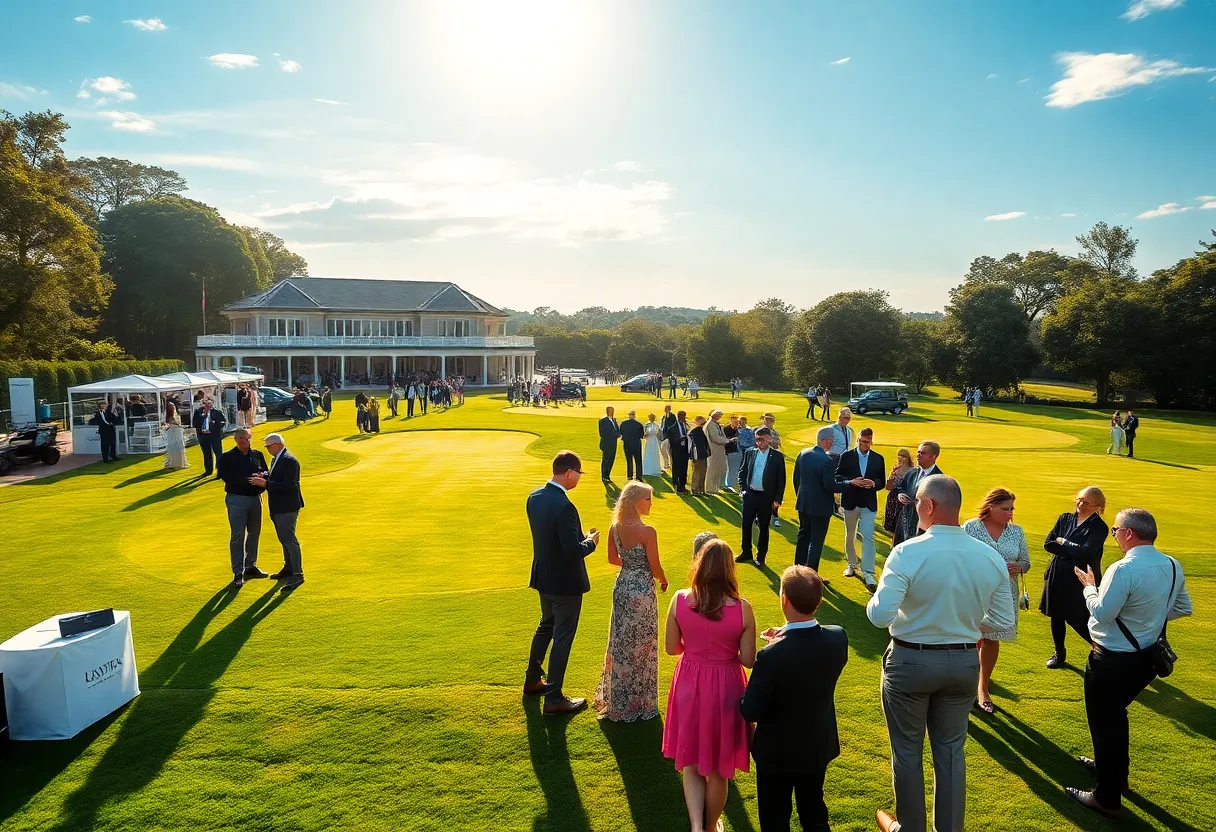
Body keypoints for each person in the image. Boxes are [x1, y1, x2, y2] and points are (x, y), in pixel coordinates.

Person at [867, 475, 1015, 832]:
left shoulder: (908, 552)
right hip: (963, 662)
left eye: (918, 502)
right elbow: (1003, 619)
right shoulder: (988, 555)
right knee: (950, 752)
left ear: (929, 506)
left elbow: (879, 615)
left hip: (910, 662)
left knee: (907, 752)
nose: (916, 508)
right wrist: (964, 624)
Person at [1065, 508, 1193, 819]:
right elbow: (1181, 608)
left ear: (1129, 534)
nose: (1114, 535)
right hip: (1146, 659)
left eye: (1115, 530)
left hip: (1110, 660)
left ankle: (1106, 798)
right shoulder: (1172, 564)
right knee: (1115, 718)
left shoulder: (1123, 569)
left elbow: (1102, 612)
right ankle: (1114, 774)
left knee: (1104, 724)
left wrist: (1088, 586)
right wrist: (1146, 619)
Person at [741, 565, 848, 832]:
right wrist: (786, 635)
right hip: (816, 746)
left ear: (784, 599)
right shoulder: (837, 638)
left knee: (775, 819)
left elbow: (750, 710)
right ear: (820, 601)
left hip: (777, 754)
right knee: (814, 813)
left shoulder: (771, 656)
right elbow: (807, 652)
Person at [663, 539, 757, 832]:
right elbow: (748, 660)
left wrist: (694, 648)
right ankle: (712, 823)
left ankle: (696, 826)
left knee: (690, 761)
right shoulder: (743, 609)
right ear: (730, 569)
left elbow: (670, 648)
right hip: (727, 685)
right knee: (719, 769)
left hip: (690, 681)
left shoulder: (679, 599)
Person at [523, 451, 600, 715]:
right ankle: (554, 698)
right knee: (562, 638)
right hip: (565, 583)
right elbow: (572, 551)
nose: (579, 478)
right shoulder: (566, 506)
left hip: (543, 577)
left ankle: (533, 679)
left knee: (545, 626)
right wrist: (591, 541)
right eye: (578, 474)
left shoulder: (534, 497)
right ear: (569, 473)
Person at [593, 482, 669, 722]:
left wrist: (631, 565)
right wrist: (663, 579)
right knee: (643, 643)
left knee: (621, 641)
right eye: (648, 499)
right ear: (635, 500)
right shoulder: (648, 532)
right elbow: (655, 565)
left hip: (623, 586)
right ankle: (640, 702)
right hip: (642, 590)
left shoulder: (615, 527)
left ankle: (620, 700)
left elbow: (612, 559)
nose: (651, 503)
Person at [962, 488, 1030, 714]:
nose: (1010, 513)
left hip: (1004, 593)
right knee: (971, 638)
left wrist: (1019, 566)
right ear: (990, 507)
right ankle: (965, 687)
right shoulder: (971, 527)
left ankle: (983, 688)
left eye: (1012, 508)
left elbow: (1026, 562)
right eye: (1005, 508)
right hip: (974, 591)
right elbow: (960, 556)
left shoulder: (1017, 532)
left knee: (991, 639)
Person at [1041, 486, 1108, 669]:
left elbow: (1088, 552)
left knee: (1079, 617)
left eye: (1085, 502)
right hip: (1057, 573)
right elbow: (1048, 544)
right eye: (1079, 499)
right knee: (1056, 614)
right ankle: (1059, 652)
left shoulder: (1099, 527)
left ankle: (1103, 651)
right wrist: (1073, 548)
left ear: (1097, 506)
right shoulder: (1065, 518)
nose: (1080, 503)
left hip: (1081, 577)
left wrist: (1063, 543)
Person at [249, 433, 306, 593]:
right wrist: (266, 476)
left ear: (277, 445)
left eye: (268, 446)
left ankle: (298, 574)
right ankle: (288, 568)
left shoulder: (289, 460)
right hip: (278, 506)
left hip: (287, 507)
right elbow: (277, 477)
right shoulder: (278, 459)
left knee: (289, 539)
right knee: (283, 539)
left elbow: (290, 486)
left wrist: (266, 483)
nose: (267, 449)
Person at [792, 427, 848, 571]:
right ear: (824, 440)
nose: (832, 443)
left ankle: (798, 569)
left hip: (803, 503)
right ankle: (811, 574)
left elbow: (796, 478)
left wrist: (801, 495)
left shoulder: (803, 453)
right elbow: (831, 485)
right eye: (831, 440)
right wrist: (849, 483)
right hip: (820, 507)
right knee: (816, 541)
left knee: (803, 536)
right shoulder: (826, 460)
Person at [217, 429, 269, 587]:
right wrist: (249, 480)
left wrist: (262, 477)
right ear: (239, 440)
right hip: (237, 499)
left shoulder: (257, 454)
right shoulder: (227, 457)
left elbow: (266, 472)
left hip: (255, 498)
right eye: (247, 438)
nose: (249, 441)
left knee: (254, 533)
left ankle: (250, 566)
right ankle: (238, 572)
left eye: (250, 438)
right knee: (238, 535)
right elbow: (225, 477)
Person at [838, 426, 884, 591]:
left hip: (869, 503)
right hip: (850, 502)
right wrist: (851, 481)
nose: (866, 445)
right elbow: (838, 476)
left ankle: (869, 572)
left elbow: (881, 481)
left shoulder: (878, 458)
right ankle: (851, 564)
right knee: (850, 535)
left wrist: (873, 483)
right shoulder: (847, 456)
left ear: (872, 441)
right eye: (863, 441)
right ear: (858, 440)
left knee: (868, 537)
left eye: (869, 442)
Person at [736, 427, 786, 567]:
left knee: (763, 527)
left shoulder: (776, 456)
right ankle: (746, 552)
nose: (759, 442)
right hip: (750, 495)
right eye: (757, 439)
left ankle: (761, 557)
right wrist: (743, 490)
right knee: (746, 525)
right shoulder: (750, 452)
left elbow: (781, 480)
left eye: (762, 439)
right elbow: (742, 473)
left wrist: (777, 499)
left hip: (766, 497)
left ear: (769, 438)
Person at [894, 442, 944, 543]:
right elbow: (900, 489)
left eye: (922, 453)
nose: (918, 455)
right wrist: (900, 495)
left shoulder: (938, 479)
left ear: (933, 456)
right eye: (918, 452)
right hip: (904, 523)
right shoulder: (911, 473)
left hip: (923, 526)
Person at [191, 398, 227, 478]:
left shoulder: (217, 412)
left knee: (218, 454)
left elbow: (223, 422)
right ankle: (208, 471)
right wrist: (203, 418)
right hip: (203, 437)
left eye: (209, 405)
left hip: (214, 436)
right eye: (205, 404)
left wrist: (215, 424)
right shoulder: (198, 412)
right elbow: (194, 423)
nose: (207, 406)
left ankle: (219, 471)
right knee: (207, 454)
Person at [883, 449, 913, 536]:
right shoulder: (895, 469)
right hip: (893, 499)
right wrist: (892, 474)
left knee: (904, 525)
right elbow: (888, 487)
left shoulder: (913, 471)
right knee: (893, 526)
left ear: (908, 458)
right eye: (899, 456)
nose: (901, 459)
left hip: (905, 499)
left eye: (903, 456)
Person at [704, 410, 729, 495]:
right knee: (712, 470)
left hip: (719, 450)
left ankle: (715, 488)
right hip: (713, 450)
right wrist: (727, 441)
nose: (719, 417)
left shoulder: (716, 424)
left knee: (719, 470)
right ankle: (710, 489)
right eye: (718, 415)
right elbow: (715, 437)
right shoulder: (711, 424)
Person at [666, 410, 691, 494]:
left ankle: (683, 485)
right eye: (682, 416)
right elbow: (671, 440)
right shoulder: (672, 428)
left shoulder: (686, 426)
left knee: (684, 468)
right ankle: (678, 485)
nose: (683, 418)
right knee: (677, 468)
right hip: (677, 451)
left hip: (685, 451)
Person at [162, 399, 188, 470]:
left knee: (177, 447)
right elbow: (174, 424)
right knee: (176, 447)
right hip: (174, 433)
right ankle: (175, 463)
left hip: (176, 432)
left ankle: (179, 462)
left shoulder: (173, 415)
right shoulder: (171, 417)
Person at [619, 410, 645, 481]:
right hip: (636, 444)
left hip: (627, 444)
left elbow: (620, 432)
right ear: (634, 415)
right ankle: (639, 476)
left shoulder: (623, 424)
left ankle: (629, 475)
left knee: (629, 460)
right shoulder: (639, 424)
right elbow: (641, 435)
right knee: (638, 461)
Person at [688, 416, 710, 496]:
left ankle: (701, 489)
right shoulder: (694, 432)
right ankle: (695, 489)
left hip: (703, 455)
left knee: (703, 473)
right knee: (697, 472)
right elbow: (693, 446)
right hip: (697, 455)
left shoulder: (701, 431)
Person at [598, 406, 621, 481]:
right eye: (611, 411)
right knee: (606, 460)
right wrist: (616, 435)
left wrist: (618, 434)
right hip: (606, 443)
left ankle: (608, 475)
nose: (612, 412)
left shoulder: (614, 420)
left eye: (613, 411)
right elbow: (603, 433)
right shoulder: (603, 421)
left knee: (611, 459)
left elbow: (617, 429)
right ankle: (604, 475)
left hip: (613, 443)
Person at [723, 415, 741, 493]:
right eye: (734, 421)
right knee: (730, 468)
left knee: (737, 468)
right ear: (731, 421)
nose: (736, 423)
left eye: (737, 422)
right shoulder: (726, 429)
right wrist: (732, 439)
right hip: (730, 450)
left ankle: (735, 483)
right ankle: (729, 484)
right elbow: (725, 440)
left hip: (738, 450)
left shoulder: (739, 429)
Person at [659, 405, 677, 473]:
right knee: (663, 450)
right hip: (664, 436)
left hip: (670, 436)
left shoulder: (672, 416)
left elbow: (673, 425)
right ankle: (666, 464)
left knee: (670, 451)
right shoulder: (663, 416)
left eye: (667, 408)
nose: (666, 409)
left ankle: (672, 465)